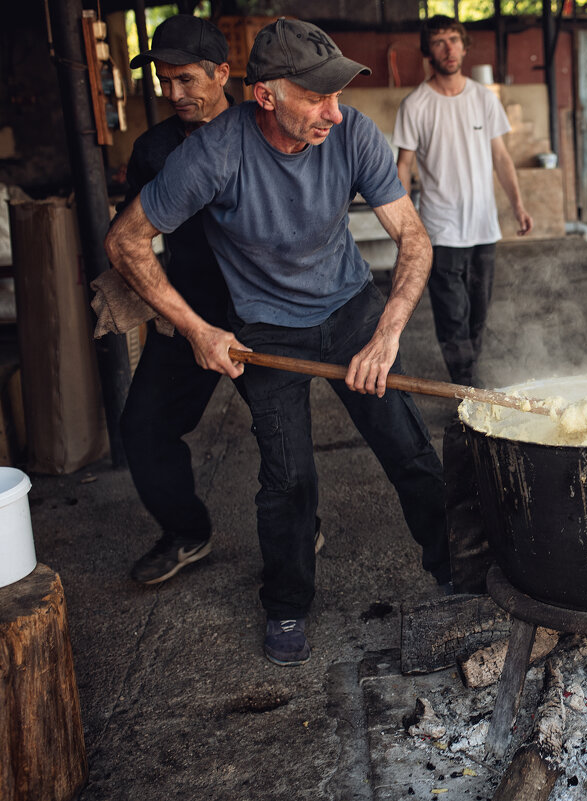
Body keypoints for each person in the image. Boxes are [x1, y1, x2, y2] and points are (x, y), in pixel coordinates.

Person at [105, 18, 451, 667]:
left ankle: (451, 563)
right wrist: (197, 327)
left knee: (407, 447)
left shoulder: (353, 135)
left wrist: (388, 332)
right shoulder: (212, 153)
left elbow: (414, 237)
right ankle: (287, 601)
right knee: (288, 480)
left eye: (338, 94)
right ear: (266, 95)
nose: (334, 111)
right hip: (264, 325)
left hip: (350, 309)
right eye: (317, 96)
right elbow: (125, 239)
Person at [119, 14, 243, 585]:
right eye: (165, 81)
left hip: (262, 309)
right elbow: (134, 232)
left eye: (187, 80)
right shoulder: (153, 149)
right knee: (144, 428)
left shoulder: (261, 127)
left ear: (221, 73)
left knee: (280, 430)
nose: (174, 94)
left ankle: (297, 524)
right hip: (189, 310)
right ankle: (187, 532)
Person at [392, 16, 533, 388]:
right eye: (439, 42)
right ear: (428, 51)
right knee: (452, 317)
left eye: (454, 40)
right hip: (440, 229)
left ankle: (469, 381)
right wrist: (403, 227)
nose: (449, 48)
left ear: (465, 45)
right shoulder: (416, 105)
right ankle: (468, 389)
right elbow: (403, 166)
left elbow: (501, 157)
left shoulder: (483, 98)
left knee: (477, 316)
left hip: (483, 227)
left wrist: (518, 206)